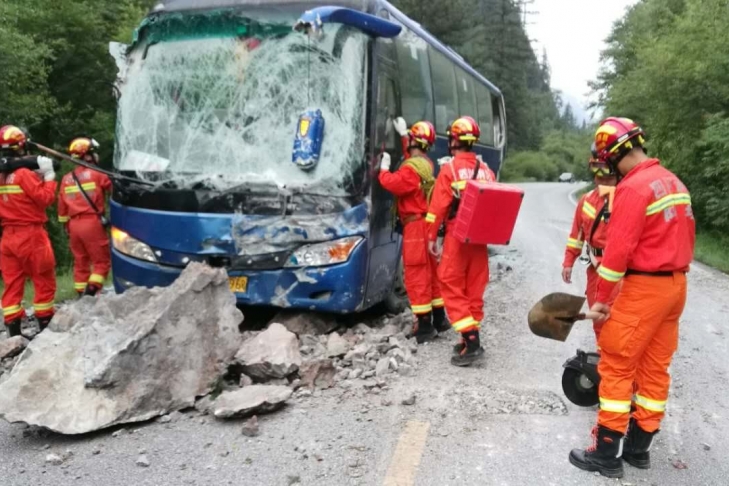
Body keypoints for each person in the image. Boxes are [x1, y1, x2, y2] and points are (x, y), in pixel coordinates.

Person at [569, 117, 695, 479]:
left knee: (617, 363)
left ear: (612, 155)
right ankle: (639, 449)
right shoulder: (673, 181)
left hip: (644, 289)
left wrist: (602, 299)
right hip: (675, 286)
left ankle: (606, 452)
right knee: (654, 367)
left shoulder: (633, 187)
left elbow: (617, 253)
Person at [425, 116, 496, 366]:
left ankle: (471, 339)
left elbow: (437, 208)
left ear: (454, 140)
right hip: (480, 238)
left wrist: (431, 236)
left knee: (449, 281)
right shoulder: (487, 171)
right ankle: (470, 338)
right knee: (474, 287)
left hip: (457, 235)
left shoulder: (450, 170)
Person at [379, 119, 443, 343]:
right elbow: (411, 162)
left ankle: (424, 327)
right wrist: (404, 136)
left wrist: (383, 169)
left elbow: (393, 183)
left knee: (416, 275)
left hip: (415, 227)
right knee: (432, 273)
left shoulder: (409, 171)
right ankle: (439, 318)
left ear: (415, 142)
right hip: (427, 224)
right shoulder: (425, 164)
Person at [0, 125, 57, 336]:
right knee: (43, 279)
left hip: (8, 237)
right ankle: (45, 328)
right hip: (31, 235)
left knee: (12, 284)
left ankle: (13, 334)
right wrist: (49, 177)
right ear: (21, 146)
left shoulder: (2, 175)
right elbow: (45, 198)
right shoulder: (24, 174)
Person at [562, 145, 619, 344]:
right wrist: (568, 261)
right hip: (595, 268)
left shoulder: (626, 199)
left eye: (607, 177)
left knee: (614, 320)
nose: (601, 180)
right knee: (598, 318)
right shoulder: (586, 200)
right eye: (597, 174)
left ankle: (612, 358)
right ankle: (603, 355)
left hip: (618, 270)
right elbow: (576, 235)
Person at [58, 137, 112, 297]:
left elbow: (61, 207)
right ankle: (92, 290)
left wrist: (66, 226)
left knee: (80, 261)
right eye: (94, 153)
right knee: (101, 262)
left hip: (73, 225)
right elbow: (115, 191)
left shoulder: (66, 178)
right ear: (88, 156)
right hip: (92, 223)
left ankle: (81, 294)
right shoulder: (98, 174)